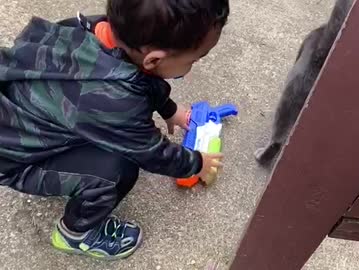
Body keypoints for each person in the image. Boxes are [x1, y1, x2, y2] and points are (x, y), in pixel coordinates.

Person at [0, 0, 229, 260]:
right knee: (118, 170)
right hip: (16, 160)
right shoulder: (115, 102)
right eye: (195, 60)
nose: (192, 67)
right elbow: (152, 153)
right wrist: (196, 163)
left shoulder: (97, 31)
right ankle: (76, 234)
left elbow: (141, 79)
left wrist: (170, 110)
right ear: (154, 59)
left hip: (26, 119)